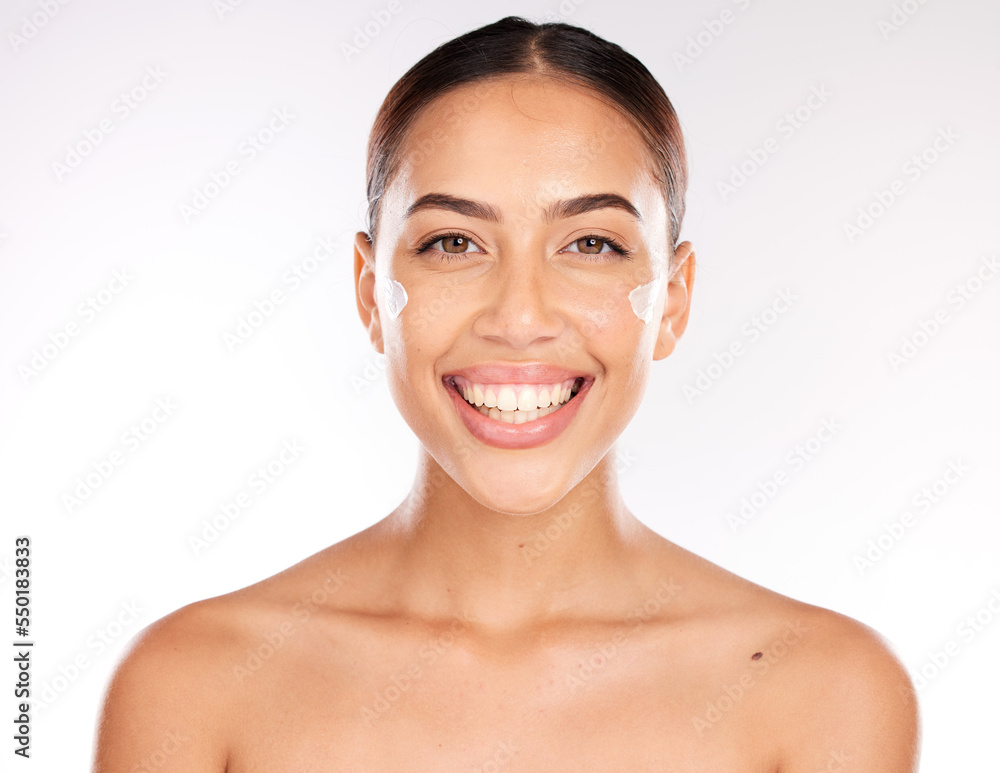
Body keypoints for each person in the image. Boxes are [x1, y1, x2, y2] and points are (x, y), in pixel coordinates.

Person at [92, 16, 920, 771]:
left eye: (591, 244)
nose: (519, 318)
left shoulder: (823, 694)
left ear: (673, 301)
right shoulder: (192, 686)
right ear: (369, 293)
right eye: (454, 242)